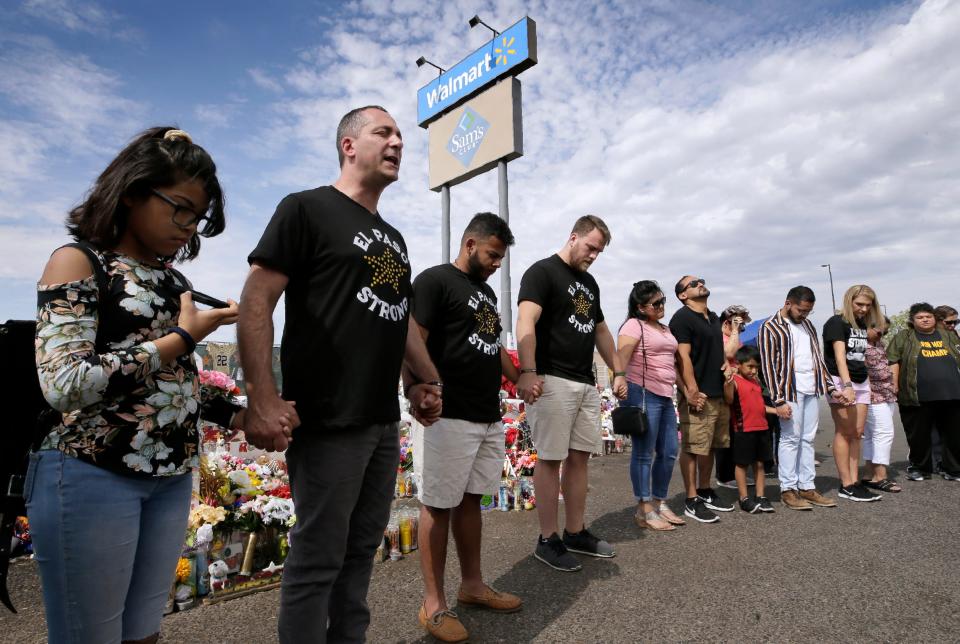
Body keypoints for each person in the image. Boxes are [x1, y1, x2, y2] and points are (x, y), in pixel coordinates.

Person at [28, 127, 261, 643]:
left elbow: (176, 385)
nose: (187, 226)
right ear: (132, 191)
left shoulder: (171, 279)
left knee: (144, 633)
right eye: (179, 207)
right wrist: (180, 338)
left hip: (170, 475)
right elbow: (64, 384)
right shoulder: (79, 262)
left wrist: (236, 415)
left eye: (197, 216)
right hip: (90, 470)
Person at [238, 106, 443, 643]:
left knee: (359, 558)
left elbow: (396, 323)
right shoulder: (305, 209)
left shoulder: (394, 240)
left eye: (400, 134)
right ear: (349, 145)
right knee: (317, 561)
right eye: (384, 132)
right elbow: (258, 297)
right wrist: (262, 395)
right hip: (327, 416)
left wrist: (424, 381)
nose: (399, 140)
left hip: (379, 422)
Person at [409, 213, 523, 642]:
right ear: (470, 244)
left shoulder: (486, 293)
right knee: (437, 504)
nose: (497, 264)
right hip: (446, 413)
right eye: (493, 255)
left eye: (501, 257)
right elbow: (412, 338)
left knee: (472, 500)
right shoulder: (434, 281)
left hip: (486, 414)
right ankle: (433, 604)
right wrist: (418, 387)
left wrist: (522, 376)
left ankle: (472, 586)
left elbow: (493, 348)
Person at [516, 215, 627, 572]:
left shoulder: (589, 284)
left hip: (584, 381)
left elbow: (601, 331)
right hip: (552, 379)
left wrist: (618, 370)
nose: (594, 255)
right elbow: (525, 320)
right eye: (590, 246)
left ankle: (575, 531)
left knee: (580, 457)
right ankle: (548, 539)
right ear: (573, 236)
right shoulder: (542, 272)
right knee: (550, 459)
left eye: (600, 251)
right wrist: (528, 371)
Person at [757, 286, 838, 511]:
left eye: (808, 311)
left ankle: (807, 486)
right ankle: (788, 489)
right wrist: (778, 399)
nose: (804, 315)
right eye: (801, 310)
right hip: (788, 390)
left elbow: (817, 359)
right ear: (788, 303)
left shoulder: (808, 325)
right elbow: (768, 367)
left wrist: (830, 386)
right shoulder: (769, 327)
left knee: (808, 438)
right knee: (790, 438)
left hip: (811, 388)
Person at [615, 280, 685, 531]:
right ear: (641, 307)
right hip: (642, 392)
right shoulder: (634, 325)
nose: (661, 306)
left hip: (666, 394)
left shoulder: (664, 329)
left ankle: (658, 501)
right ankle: (644, 507)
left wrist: (686, 388)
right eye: (656, 303)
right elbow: (622, 354)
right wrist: (618, 377)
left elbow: (671, 362)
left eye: (663, 300)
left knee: (668, 450)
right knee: (644, 452)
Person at [668, 276, 734, 523]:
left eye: (701, 280)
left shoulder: (714, 317)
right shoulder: (682, 318)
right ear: (683, 295)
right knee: (693, 447)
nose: (700, 284)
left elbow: (718, 351)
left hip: (717, 391)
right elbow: (682, 357)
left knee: (710, 446)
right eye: (694, 283)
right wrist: (691, 391)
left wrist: (726, 366)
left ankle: (705, 490)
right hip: (699, 393)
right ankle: (691, 499)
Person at [886, 302, 960, 482]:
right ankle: (919, 467)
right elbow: (893, 361)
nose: (925, 319)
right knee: (918, 435)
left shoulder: (948, 335)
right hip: (916, 396)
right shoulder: (904, 336)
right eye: (920, 317)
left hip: (952, 394)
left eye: (928, 316)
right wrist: (893, 384)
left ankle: (952, 469)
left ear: (935, 318)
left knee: (954, 434)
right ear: (912, 320)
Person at [823, 285, 883, 502]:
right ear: (849, 301)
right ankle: (845, 483)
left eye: (868, 305)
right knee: (844, 432)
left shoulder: (861, 324)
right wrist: (846, 385)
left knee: (858, 433)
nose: (864, 309)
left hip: (861, 379)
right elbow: (839, 357)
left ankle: (855, 481)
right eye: (859, 304)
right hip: (841, 380)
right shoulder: (836, 322)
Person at [722, 345, 775, 513]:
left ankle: (760, 496)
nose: (753, 370)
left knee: (760, 464)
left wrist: (777, 411)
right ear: (738, 364)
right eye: (750, 366)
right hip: (744, 429)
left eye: (756, 367)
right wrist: (728, 382)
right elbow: (729, 400)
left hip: (762, 427)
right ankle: (744, 497)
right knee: (742, 464)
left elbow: (760, 405)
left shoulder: (756, 382)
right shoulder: (735, 381)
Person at [862, 318, 901, 492]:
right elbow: (860, 368)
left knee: (873, 435)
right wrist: (866, 389)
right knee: (883, 434)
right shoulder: (860, 345)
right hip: (871, 393)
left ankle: (869, 474)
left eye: (884, 332)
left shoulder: (879, 344)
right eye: (878, 331)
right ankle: (880, 476)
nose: (881, 334)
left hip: (886, 392)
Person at [715, 305, 750, 489]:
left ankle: (738, 473)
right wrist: (735, 331)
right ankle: (724, 475)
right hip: (726, 387)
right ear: (727, 322)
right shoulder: (721, 336)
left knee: (737, 431)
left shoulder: (734, 336)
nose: (740, 325)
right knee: (726, 432)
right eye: (736, 321)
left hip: (739, 387)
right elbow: (729, 353)